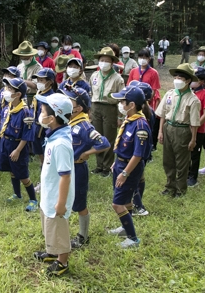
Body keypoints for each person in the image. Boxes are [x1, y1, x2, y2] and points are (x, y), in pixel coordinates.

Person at [60, 85, 110, 248]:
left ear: (79, 107)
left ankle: (83, 236)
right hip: (66, 168)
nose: (66, 102)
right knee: (64, 200)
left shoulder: (84, 126)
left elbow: (104, 143)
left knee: (79, 204)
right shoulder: (68, 120)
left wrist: (87, 153)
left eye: (70, 100)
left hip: (78, 169)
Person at [32, 93, 74, 276]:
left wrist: (61, 203)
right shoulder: (54, 135)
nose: (40, 114)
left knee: (58, 228)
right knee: (48, 224)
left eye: (42, 111)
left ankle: (62, 261)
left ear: (52, 118)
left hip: (58, 197)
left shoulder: (61, 144)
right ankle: (51, 251)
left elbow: (65, 176)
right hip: (49, 192)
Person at [107, 86, 151, 249]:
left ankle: (133, 238)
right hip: (121, 163)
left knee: (117, 204)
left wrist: (125, 173)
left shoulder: (140, 126)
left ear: (131, 105)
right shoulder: (129, 120)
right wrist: (117, 162)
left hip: (129, 168)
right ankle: (125, 228)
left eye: (122, 101)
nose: (120, 104)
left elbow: (138, 155)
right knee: (125, 200)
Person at [155, 64, 201, 197]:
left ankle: (180, 189)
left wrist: (193, 139)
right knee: (168, 160)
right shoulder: (170, 94)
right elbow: (163, 114)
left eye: (180, 77)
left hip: (182, 131)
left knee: (181, 162)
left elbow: (194, 123)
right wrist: (160, 132)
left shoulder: (193, 100)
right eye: (175, 76)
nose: (177, 79)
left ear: (187, 81)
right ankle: (170, 186)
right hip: (168, 127)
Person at [0, 77, 38, 212]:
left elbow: (27, 135)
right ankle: (17, 194)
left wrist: (18, 150)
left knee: (23, 175)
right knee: (12, 171)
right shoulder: (8, 107)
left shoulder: (25, 112)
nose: (6, 91)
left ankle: (33, 199)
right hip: (6, 143)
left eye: (10, 89)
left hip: (17, 146)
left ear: (18, 94)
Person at [89, 47, 125, 177]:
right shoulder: (94, 75)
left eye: (107, 60)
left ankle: (107, 166)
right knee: (97, 136)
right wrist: (90, 111)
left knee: (109, 137)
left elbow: (122, 98)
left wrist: (120, 116)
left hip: (110, 108)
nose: (103, 63)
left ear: (112, 62)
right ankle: (99, 165)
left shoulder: (117, 78)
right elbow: (91, 92)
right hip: (96, 106)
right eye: (101, 60)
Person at [127, 81, 155, 216]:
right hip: (144, 151)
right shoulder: (149, 111)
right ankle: (138, 204)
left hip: (137, 151)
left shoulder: (141, 116)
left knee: (135, 178)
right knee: (140, 177)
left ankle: (138, 206)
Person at [127, 48, 162, 150]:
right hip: (133, 103)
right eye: (140, 57)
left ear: (149, 58)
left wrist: (146, 101)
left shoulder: (153, 72)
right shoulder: (133, 71)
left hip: (146, 103)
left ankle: (148, 147)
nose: (142, 60)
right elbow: (129, 85)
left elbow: (154, 89)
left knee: (146, 124)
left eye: (145, 57)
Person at [30, 68, 56, 193]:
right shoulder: (39, 93)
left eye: (42, 80)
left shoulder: (51, 97)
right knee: (41, 156)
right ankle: (44, 180)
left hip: (45, 131)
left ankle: (48, 182)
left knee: (47, 157)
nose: (39, 82)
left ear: (50, 82)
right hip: (36, 128)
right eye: (38, 80)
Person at [187, 67, 205, 187]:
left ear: (201, 81)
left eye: (195, 79)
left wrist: (195, 125)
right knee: (185, 153)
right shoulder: (188, 93)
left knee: (195, 154)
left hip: (199, 130)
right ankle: (186, 173)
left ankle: (193, 177)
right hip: (185, 128)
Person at [0, 66, 20, 132]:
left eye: (9, 75)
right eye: (5, 74)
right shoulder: (2, 91)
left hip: (12, 121)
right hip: (2, 120)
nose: (6, 76)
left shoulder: (18, 93)